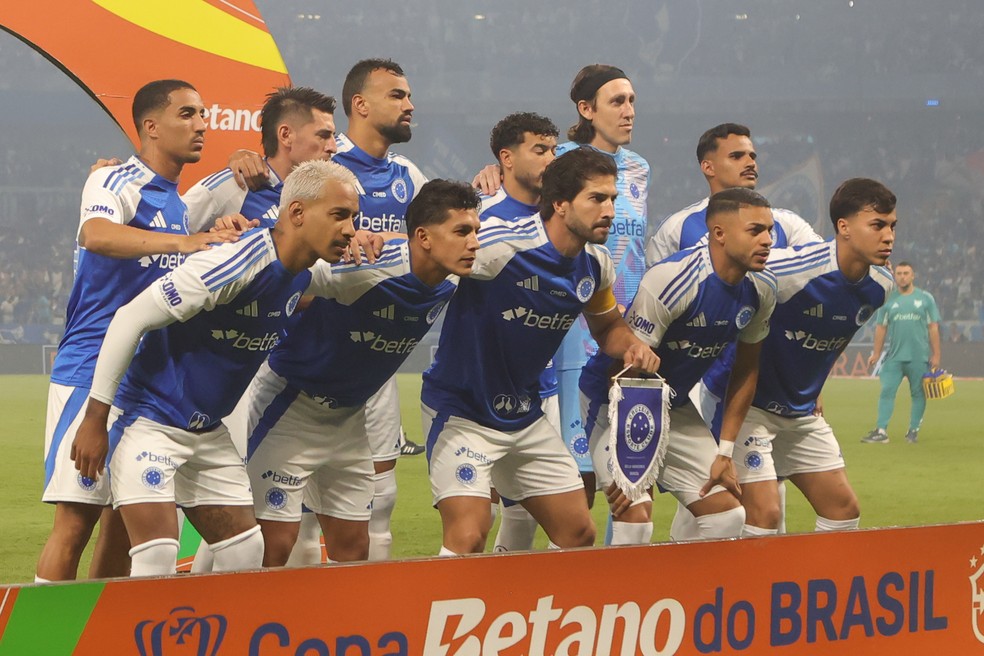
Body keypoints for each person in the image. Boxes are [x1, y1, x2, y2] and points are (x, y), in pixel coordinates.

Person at [69, 159, 361, 577]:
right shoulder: (233, 263)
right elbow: (129, 318)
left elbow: (378, 271)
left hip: (208, 433)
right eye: (339, 215)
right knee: (156, 557)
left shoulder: (305, 273)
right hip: (149, 420)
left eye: (354, 218)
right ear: (296, 212)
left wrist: (386, 240)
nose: (350, 228)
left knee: (245, 556)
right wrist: (95, 420)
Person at [36, 79, 242, 582]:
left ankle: (102, 632)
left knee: (121, 528)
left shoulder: (176, 203)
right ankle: (34, 641)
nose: (202, 125)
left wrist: (213, 239)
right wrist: (190, 242)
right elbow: (98, 234)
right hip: (90, 372)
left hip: (146, 382)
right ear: (151, 125)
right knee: (75, 521)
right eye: (189, 114)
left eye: (203, 114)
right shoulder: (114, 181)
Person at [422, 148, 659, 556]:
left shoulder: (596, 266)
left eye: (613, 199)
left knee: (578, 533)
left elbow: (607, 327)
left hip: (525, 417)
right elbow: (427, 251)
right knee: (468, 537)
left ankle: (529, 614)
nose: (609, 210)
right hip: (463, 413)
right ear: (561, 204)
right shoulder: (501, 246)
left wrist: (633, 345)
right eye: (597, 198)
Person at [231, 59, 423, 561]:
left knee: (378, 503)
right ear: (361, 104)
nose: (409, 105)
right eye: (398, 95)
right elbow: (276, 234)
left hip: (374, 367)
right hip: (306, 361)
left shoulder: (409, 176)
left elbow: (439, 236)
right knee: (286, 523)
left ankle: (348, 622)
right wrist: (249, 166)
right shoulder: (319, 174)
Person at [246, 179, 480, 565]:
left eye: (475, 232)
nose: (473, 243)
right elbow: (288, 268)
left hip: (349, 421)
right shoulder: (363, 269)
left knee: (354, 548)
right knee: (272, 543)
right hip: (289, 409)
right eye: (461, 232)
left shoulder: (456, 274)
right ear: (423, 237)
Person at [474, 65, 651, 505]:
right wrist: (492, 173)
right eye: (617, 101)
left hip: (619, 320)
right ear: (587, 109)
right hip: (569, 327)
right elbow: (521, 188)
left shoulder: (639, 168)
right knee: (578, 473)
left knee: (629, 472)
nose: (629, 111)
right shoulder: (562, 160)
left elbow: (634, 245)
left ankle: (610, 566)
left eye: (632, 100)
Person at [648, 122, 823, 541]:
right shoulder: (678, 228)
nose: (750, 162)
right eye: (737, 155)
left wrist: (807, 377)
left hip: (762, 378)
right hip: (701, 385)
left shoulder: (788, 225)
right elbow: (651, 299)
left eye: (753, 155)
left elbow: (821, 284)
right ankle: (706, 587)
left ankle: (716, 589)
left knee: (760, 502)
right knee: (727, 496)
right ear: (708, 166)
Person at [581, 188, 777, 544]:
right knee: (635, 520)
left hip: (675, 405)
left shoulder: (762, 287)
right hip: (615, 403)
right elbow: (624, 372)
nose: (767, 241)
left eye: (770, 230)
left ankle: (687, 597)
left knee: (729, 517)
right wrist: (631, 456)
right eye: (755, 231)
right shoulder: (672, 280)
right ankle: (622, 598)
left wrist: (725, 452)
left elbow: (747, 370)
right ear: (719, 233)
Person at [724, 178, 896, 537]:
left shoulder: (880, 285)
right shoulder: (789, 270)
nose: (889, 236)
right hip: (750, 409)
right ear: (844, 228)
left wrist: (815, 384)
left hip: (801, 414)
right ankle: (750, 591)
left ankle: (821, 591)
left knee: (843, 508)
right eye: (877, 225)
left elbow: (836, 336)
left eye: (892, 225)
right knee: (765, 514)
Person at [480, 112, 560, 552]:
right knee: (478, 513)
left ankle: (507, 605)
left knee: (523, 512)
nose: (550, 159)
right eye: (540, 149)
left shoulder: (560, 217)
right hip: (476, 390)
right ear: (506, 159)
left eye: (553, 150)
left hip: (538, 389)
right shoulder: (480, 214)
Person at [183, 86, 338, 233]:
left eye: (333, 136)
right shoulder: (233, 185)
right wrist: (212, 239)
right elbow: (167, 233)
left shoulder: (324, 196)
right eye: (323, 136)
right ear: (285, 135)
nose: (333, 147)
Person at [861, 261, 940, 444]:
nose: (902, 276)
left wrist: (936, 355)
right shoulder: (888, 300)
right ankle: (881, 431)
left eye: (906, 273)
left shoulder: (925, 298)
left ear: (913, 276)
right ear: (895, 276)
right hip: (894, 357)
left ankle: (913, 431)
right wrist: (876, 353)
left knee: (918, 394)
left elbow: (933, 327)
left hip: (918, 357)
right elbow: (881, 328)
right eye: (899, 273)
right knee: (887, 390)